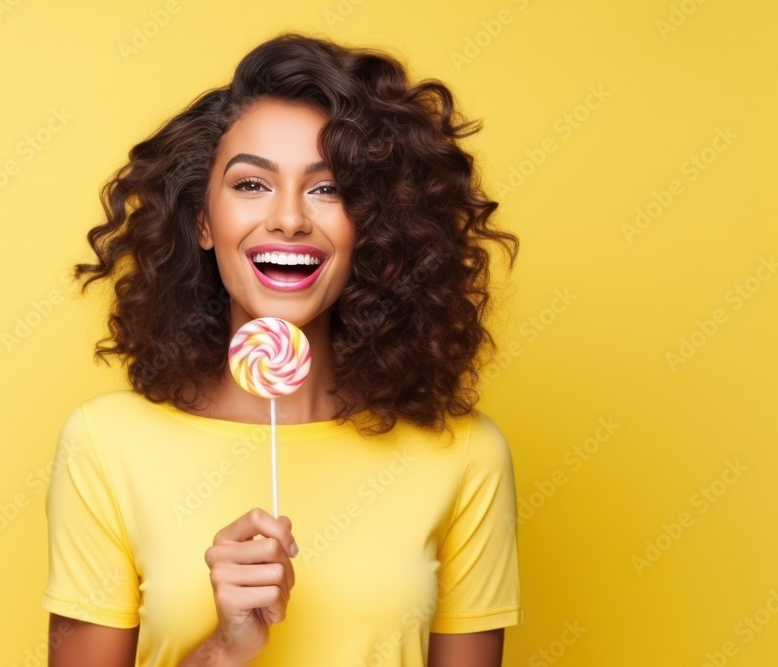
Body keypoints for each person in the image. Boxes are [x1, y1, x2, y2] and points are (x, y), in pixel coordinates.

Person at [41, 31, 523, 666]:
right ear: (203, 222)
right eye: (251, 185)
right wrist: (225, 647)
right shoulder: (105, 446)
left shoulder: (464, 456)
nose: (290, 218)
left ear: (373, 224)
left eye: (328, 189)